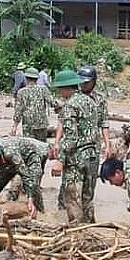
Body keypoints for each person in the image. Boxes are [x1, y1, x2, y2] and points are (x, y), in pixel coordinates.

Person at [50, 69, 100, 224]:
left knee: (72, 195)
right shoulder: (90, 101)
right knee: (88, 196)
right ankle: (91, 229)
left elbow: (71, 136)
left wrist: (60, 160)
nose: (59, 93)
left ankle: (76, 232)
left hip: (76, 158)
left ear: (66, 88)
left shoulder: (70, 106)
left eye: (59, 89)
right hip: (93, 156)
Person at [0, 137, 49, 216]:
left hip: (32, 154)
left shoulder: (10, 153)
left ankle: (40, 212)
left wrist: (30, 198)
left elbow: (26, 176)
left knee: (33, 184)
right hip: (7, 163)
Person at [11, 68, 54, 142]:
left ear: (26, 78)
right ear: (37, 79)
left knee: (29, 147)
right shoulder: (43, 90)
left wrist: (14, 127)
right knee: (42, 146)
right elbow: (52, 102)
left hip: (28, 125)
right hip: (41, 124)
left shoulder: (21, 92)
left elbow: (18, 111)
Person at [78, 65, 112, 159]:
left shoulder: (99, 100)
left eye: (87, 82)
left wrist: (107, 145)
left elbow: (104, 123)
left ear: (94, 81)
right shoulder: (73, 98)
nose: (83, 84)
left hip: (93, 148)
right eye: (81, 81)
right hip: (75, 148)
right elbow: (62, 122)